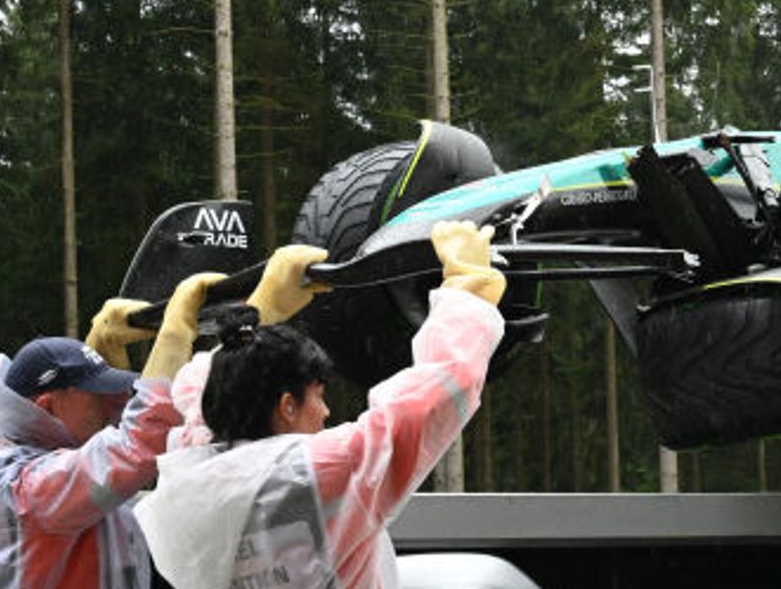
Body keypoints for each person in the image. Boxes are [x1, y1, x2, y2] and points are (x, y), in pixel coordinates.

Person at [136, 220, 508, 589]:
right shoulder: (319, 475)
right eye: (318, 395)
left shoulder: (192, 473)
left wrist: (258, 314)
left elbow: (200, 388)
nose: (327, 412)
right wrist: (467, 284)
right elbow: (429, 399)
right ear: (287, 406)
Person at [0, 245, 326, 589]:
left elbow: (148, 421)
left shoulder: (37, 451)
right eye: (99, 396)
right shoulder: (22, 486)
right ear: (47, 406)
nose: (115, 405)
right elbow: (136, 445)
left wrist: (103, 344)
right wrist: (229, 322)